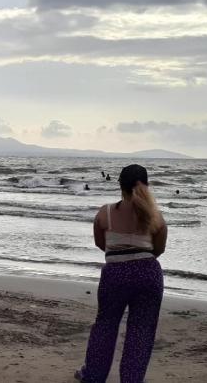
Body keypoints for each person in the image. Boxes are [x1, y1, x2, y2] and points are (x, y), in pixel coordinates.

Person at [75, 164, 168, 383]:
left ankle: (93, 375)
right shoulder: (156, 216)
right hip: (148, 274)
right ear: (147, 185)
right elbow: (158, 249)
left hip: (115, 274)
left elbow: (102, 244)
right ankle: (132, 379)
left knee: (105, 325)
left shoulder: (105, 212)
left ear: (120, 186)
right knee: (141, 331)